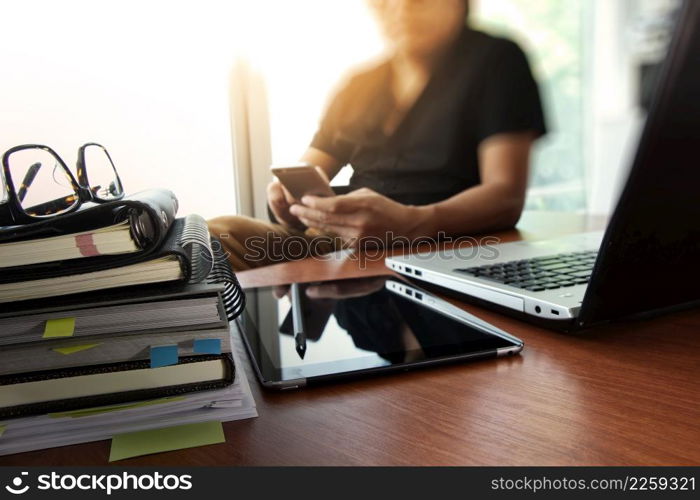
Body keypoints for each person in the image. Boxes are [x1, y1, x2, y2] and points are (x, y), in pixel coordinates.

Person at [209, 0, 546, 271]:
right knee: (206, 238)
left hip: (441, 244)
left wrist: (413, 222)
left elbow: (504, 196)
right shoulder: (359, 85)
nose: (399, 9)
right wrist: (287, 198)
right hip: (336, 237)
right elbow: (310, 168)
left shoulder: (497, 62)